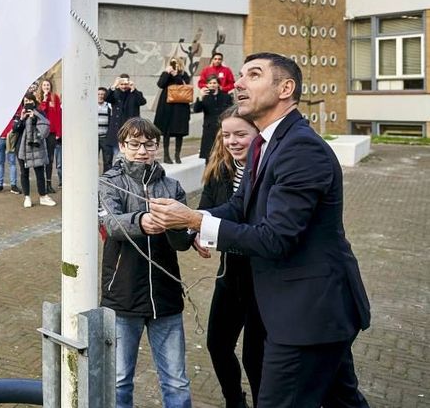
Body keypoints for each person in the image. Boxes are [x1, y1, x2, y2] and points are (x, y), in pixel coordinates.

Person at [149, 52, 372, 408]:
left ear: (286, 88)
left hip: (309, 314)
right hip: (309, 311)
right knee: (343, 401)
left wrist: (194, 221)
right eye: (239, 75)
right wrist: (189, 218)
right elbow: (240, 208)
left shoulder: (300, 148)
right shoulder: (265, 145)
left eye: (253, 75)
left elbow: (275, 238)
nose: (238, 83)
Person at [98, 117, 194, 408]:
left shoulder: (172, 186)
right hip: (123, 294)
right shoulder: (107, 183)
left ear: (157, 147)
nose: (142, 150)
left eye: (149, 144)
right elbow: (112, 224)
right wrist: (142, 220)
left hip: (165, 296)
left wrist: (185, 228)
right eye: (134, 144)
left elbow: (182, 242)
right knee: (118, 379)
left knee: (176, 381)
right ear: (122, 146)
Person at [197, 107, 263, 408]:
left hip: (262, 278)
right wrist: (196, 231)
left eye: (241, 134)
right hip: (230, 274)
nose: (232, 141)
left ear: (258, 134)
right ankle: (235, 402)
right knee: (218, 344)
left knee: (255, 355)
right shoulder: (219, 171)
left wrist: (210, 226)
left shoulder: (266, 170)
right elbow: (206, 209)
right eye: (226, 135)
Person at [13, 93, 56, 208]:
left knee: (40, 172)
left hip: (36, 147)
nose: (27, 103)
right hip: (22, 147)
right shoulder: (20, 114)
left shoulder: (39, 112)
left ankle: (43, 196)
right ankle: (27, 197)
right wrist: (21, 118)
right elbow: (15, 129)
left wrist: (35, 115)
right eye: (25, 101)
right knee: (24, 172)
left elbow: (46, 125)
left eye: (30, 101)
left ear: (34, 101)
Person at [154, 58, 192, 164]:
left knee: (179, 131)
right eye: (172, 62)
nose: (174, 64)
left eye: (176, 63)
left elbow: (184, 85)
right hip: (167, 104)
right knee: (166, 130)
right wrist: (167, 72)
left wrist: (176, 75)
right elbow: (160, 84)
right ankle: (166, 155)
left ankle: (177, 155)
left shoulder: (184, 74)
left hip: (180, 106)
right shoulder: (166, 73)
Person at [194, 75, 234, 160]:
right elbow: (197, 109)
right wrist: (200, 97)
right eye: (210, 83)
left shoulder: (226, 96)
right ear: (207, 85)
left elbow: (231, 110)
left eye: (214, 83)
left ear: (218, 84)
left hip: (222, 128)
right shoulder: (205, 97)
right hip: (209, 129)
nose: (212, 85)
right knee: (209, 156)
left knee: (223, 155)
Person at [37, 79, 62, 193]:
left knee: (50, 159)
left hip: (51, 133)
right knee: (41, 158)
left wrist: (58, 132)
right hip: (41, 132)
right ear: (41, 87)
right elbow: (41, 111)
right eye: (44, 85)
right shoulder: (38, 98)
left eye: (48, 85)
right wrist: (44, 100)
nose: (46, 87)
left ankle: (49, 183)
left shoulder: (55, 98)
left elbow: (57, 115)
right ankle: (41, 184)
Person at [0, 109, 19, 194]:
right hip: (3, 135)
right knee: (4, 162)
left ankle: (10, 185)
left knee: (10, 162)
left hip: (9, 135)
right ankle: (3, 185)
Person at [97, 87, 118, 169]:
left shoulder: (110, 107)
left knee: (108, 161)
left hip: (106, 138)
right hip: (94, 138)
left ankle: (105, 180)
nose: (100, 96)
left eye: (102, 94)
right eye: (98, 94)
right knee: (92, 161)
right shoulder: (91, 107)